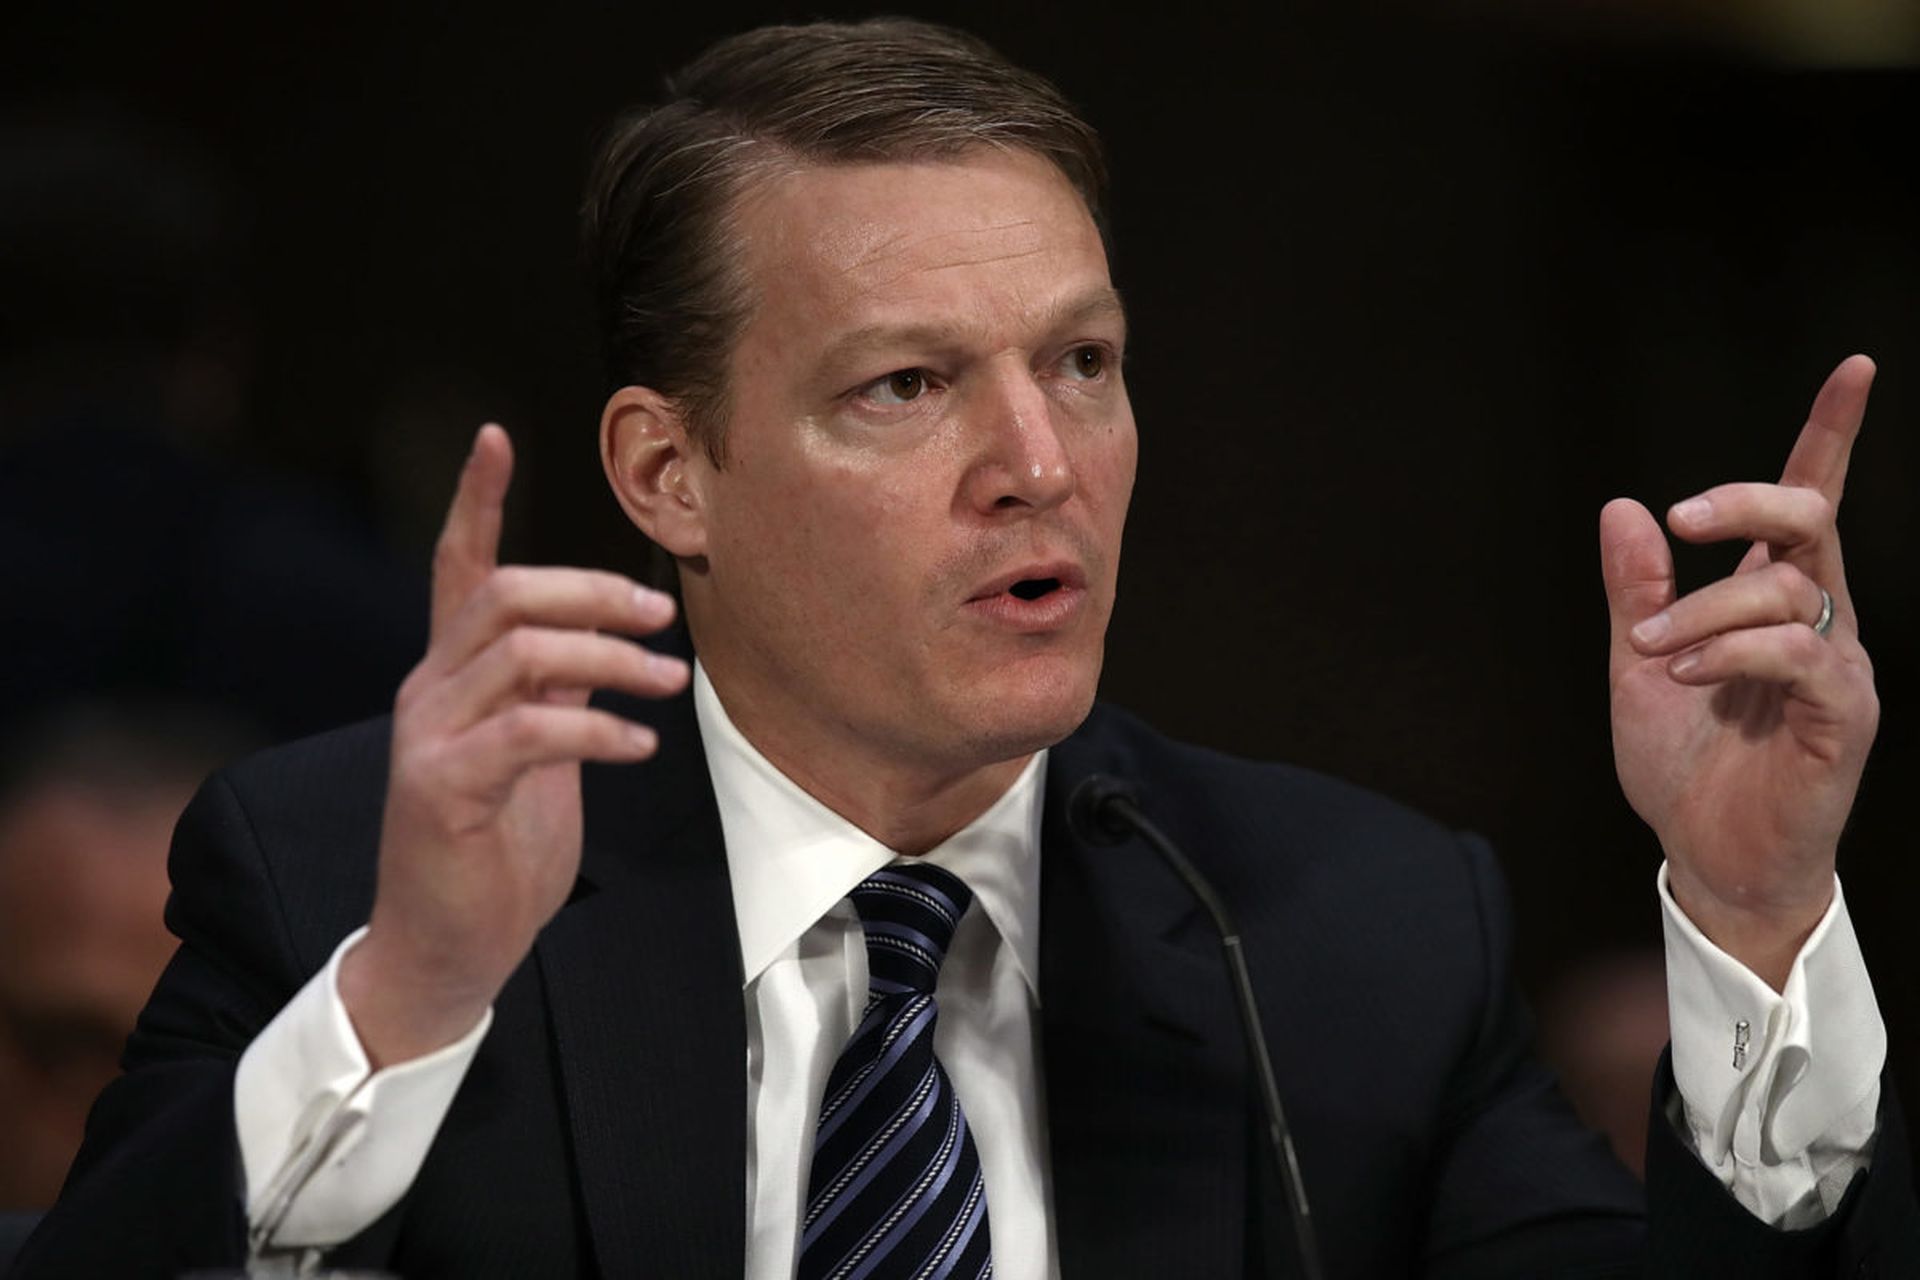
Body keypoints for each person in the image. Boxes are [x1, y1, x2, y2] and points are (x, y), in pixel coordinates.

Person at [15, 18, 1917, 1279]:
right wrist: (412, 1003)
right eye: (910, 385)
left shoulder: (1347, 936)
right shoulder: (359, 882)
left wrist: (1753, 922)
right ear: (670, 471)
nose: (1039, 466)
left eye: (1084, 366)